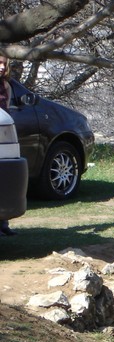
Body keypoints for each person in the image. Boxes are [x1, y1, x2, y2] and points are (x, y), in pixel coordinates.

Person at [0, 54, 17, 236]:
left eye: (4, 64)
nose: (1, 67)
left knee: (4, 182)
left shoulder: (6, 86)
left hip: (3, 141)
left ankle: (3, 224)